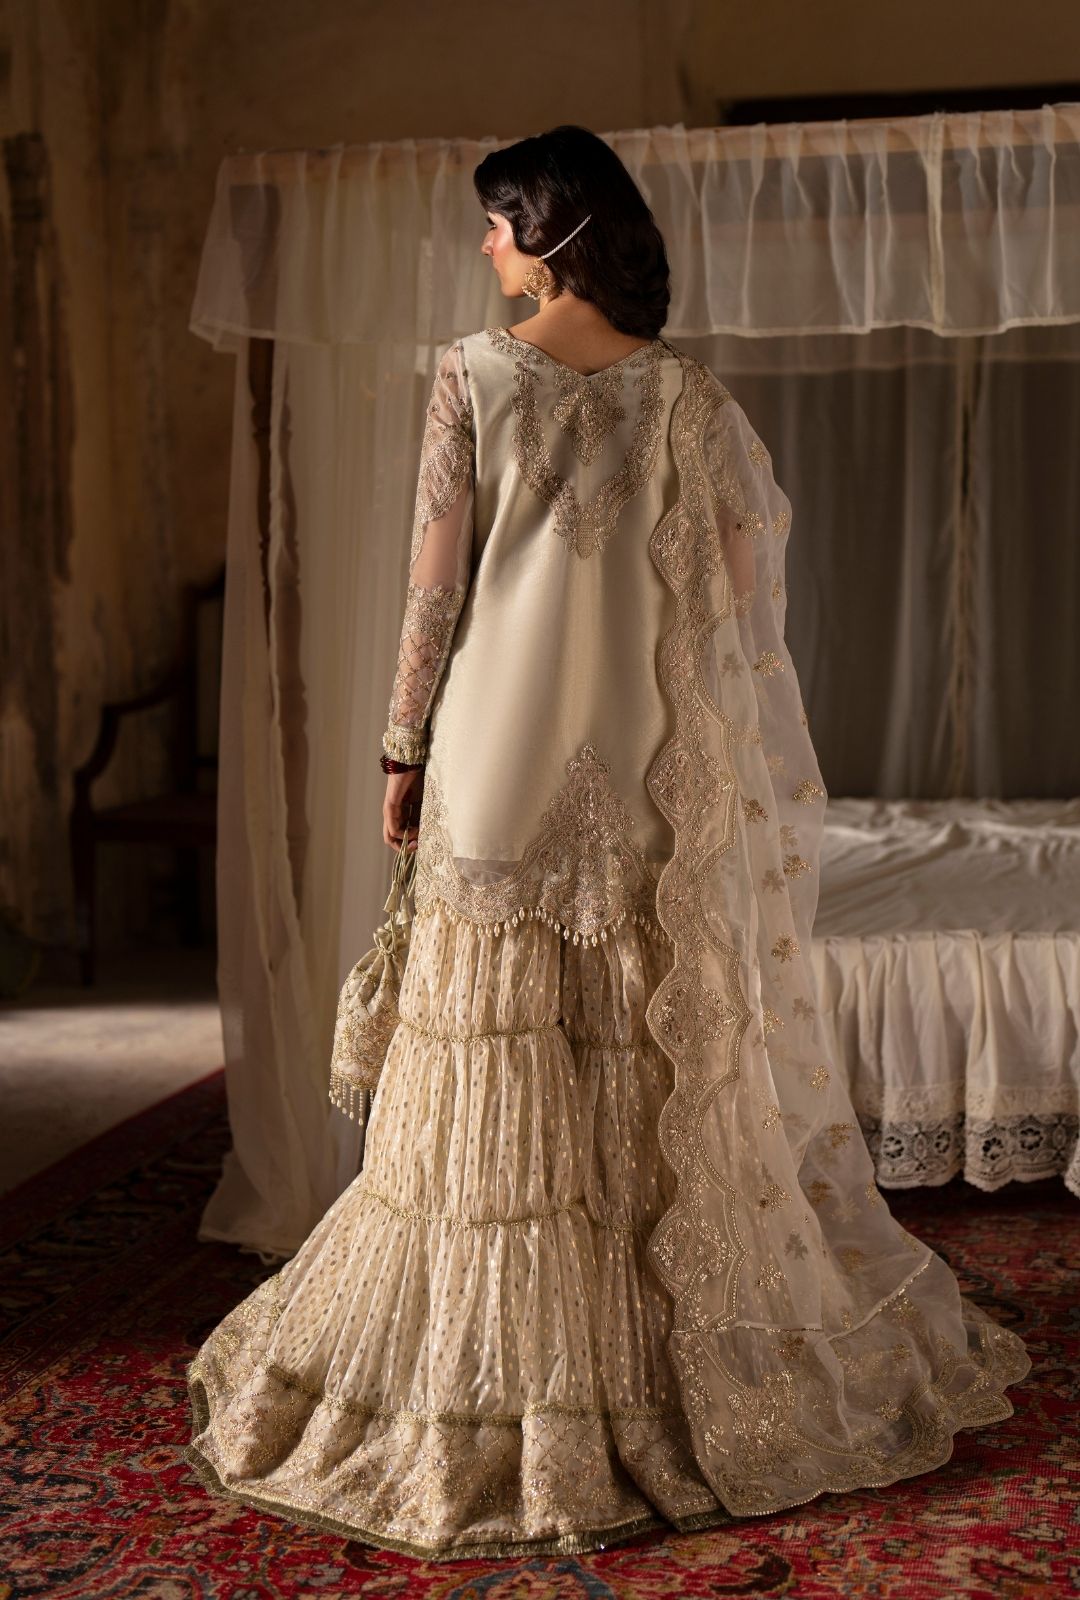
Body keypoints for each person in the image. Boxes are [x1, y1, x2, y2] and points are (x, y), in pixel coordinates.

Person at [184, 124, 1032, 1560]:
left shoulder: (471, 373)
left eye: (495, 222)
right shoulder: (689, 399)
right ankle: (641, 1370)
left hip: (496, 763)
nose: (483, 246)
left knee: (491, 1069)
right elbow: (742, 590)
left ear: (549, 229)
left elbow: (434, 588)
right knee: (628, 1061)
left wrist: (401, 746)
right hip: (638, 765)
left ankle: (495, 1378)